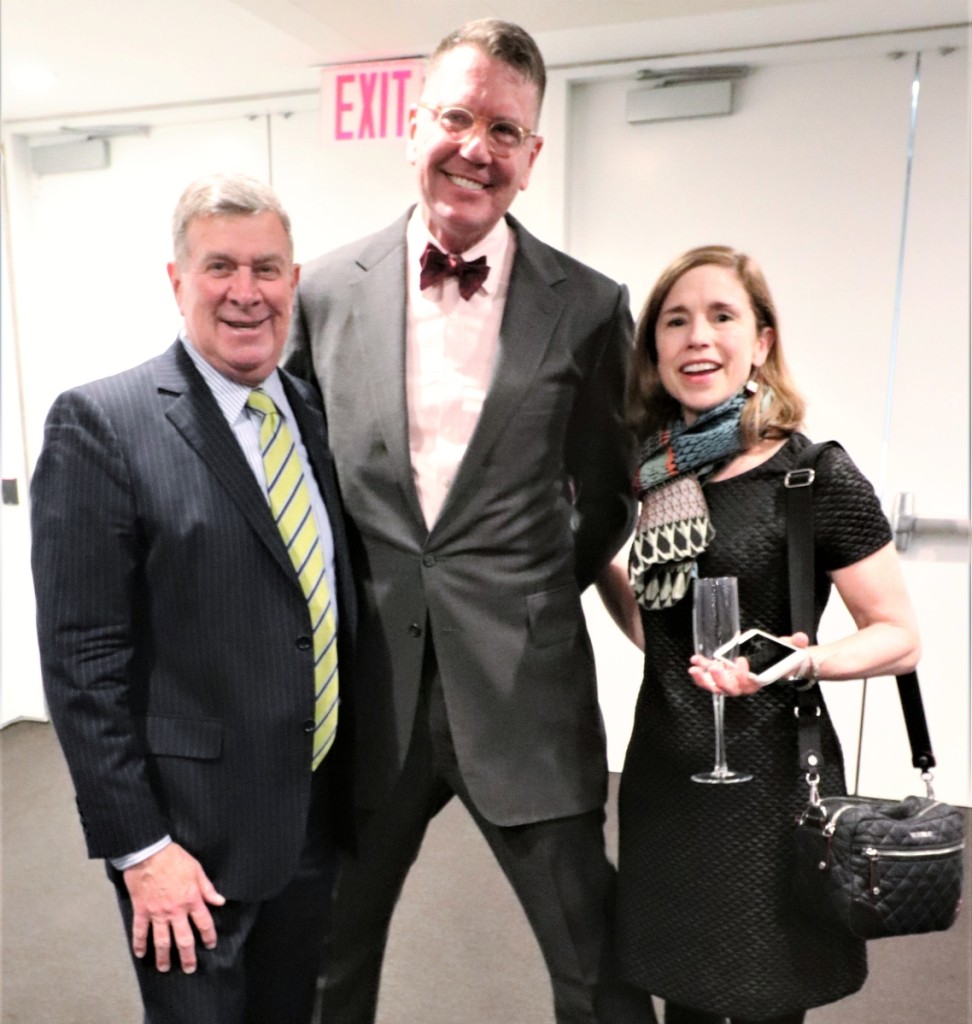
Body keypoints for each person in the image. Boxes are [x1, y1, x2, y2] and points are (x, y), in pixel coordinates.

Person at [285, 18, 637, 1024]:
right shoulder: (321, 296)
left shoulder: (592, 305)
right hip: (363, 702)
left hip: (527, 695)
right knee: (326, 967)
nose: (475, 146)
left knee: (598, 968)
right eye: (456, 115)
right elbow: (300, 486)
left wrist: (523, 586)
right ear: (411, 127)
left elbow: (607, 491)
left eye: (504, 128)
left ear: (532, 157)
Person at [30, 172, 356, 1024]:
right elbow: (81, 664)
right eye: (220, 267)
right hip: (188, 844)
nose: (246, 293)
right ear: (177, 281)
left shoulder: (307, 414)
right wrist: (140, 851)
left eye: (268, 269)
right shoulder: (103, 423)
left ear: (294, 282)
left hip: (309, 817)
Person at [596, 245, 921, 1023]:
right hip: (666, 779)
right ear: (655, 350)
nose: (696, 337)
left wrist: (797, 665)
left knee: (766, 993)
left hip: (771, 785)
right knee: (685, 997)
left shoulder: (812, 478)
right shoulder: (655, 477)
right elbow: (661, 639)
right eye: (675, 321)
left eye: (720, 316)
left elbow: (898, 635)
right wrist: (594, 562)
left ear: (762, 342)